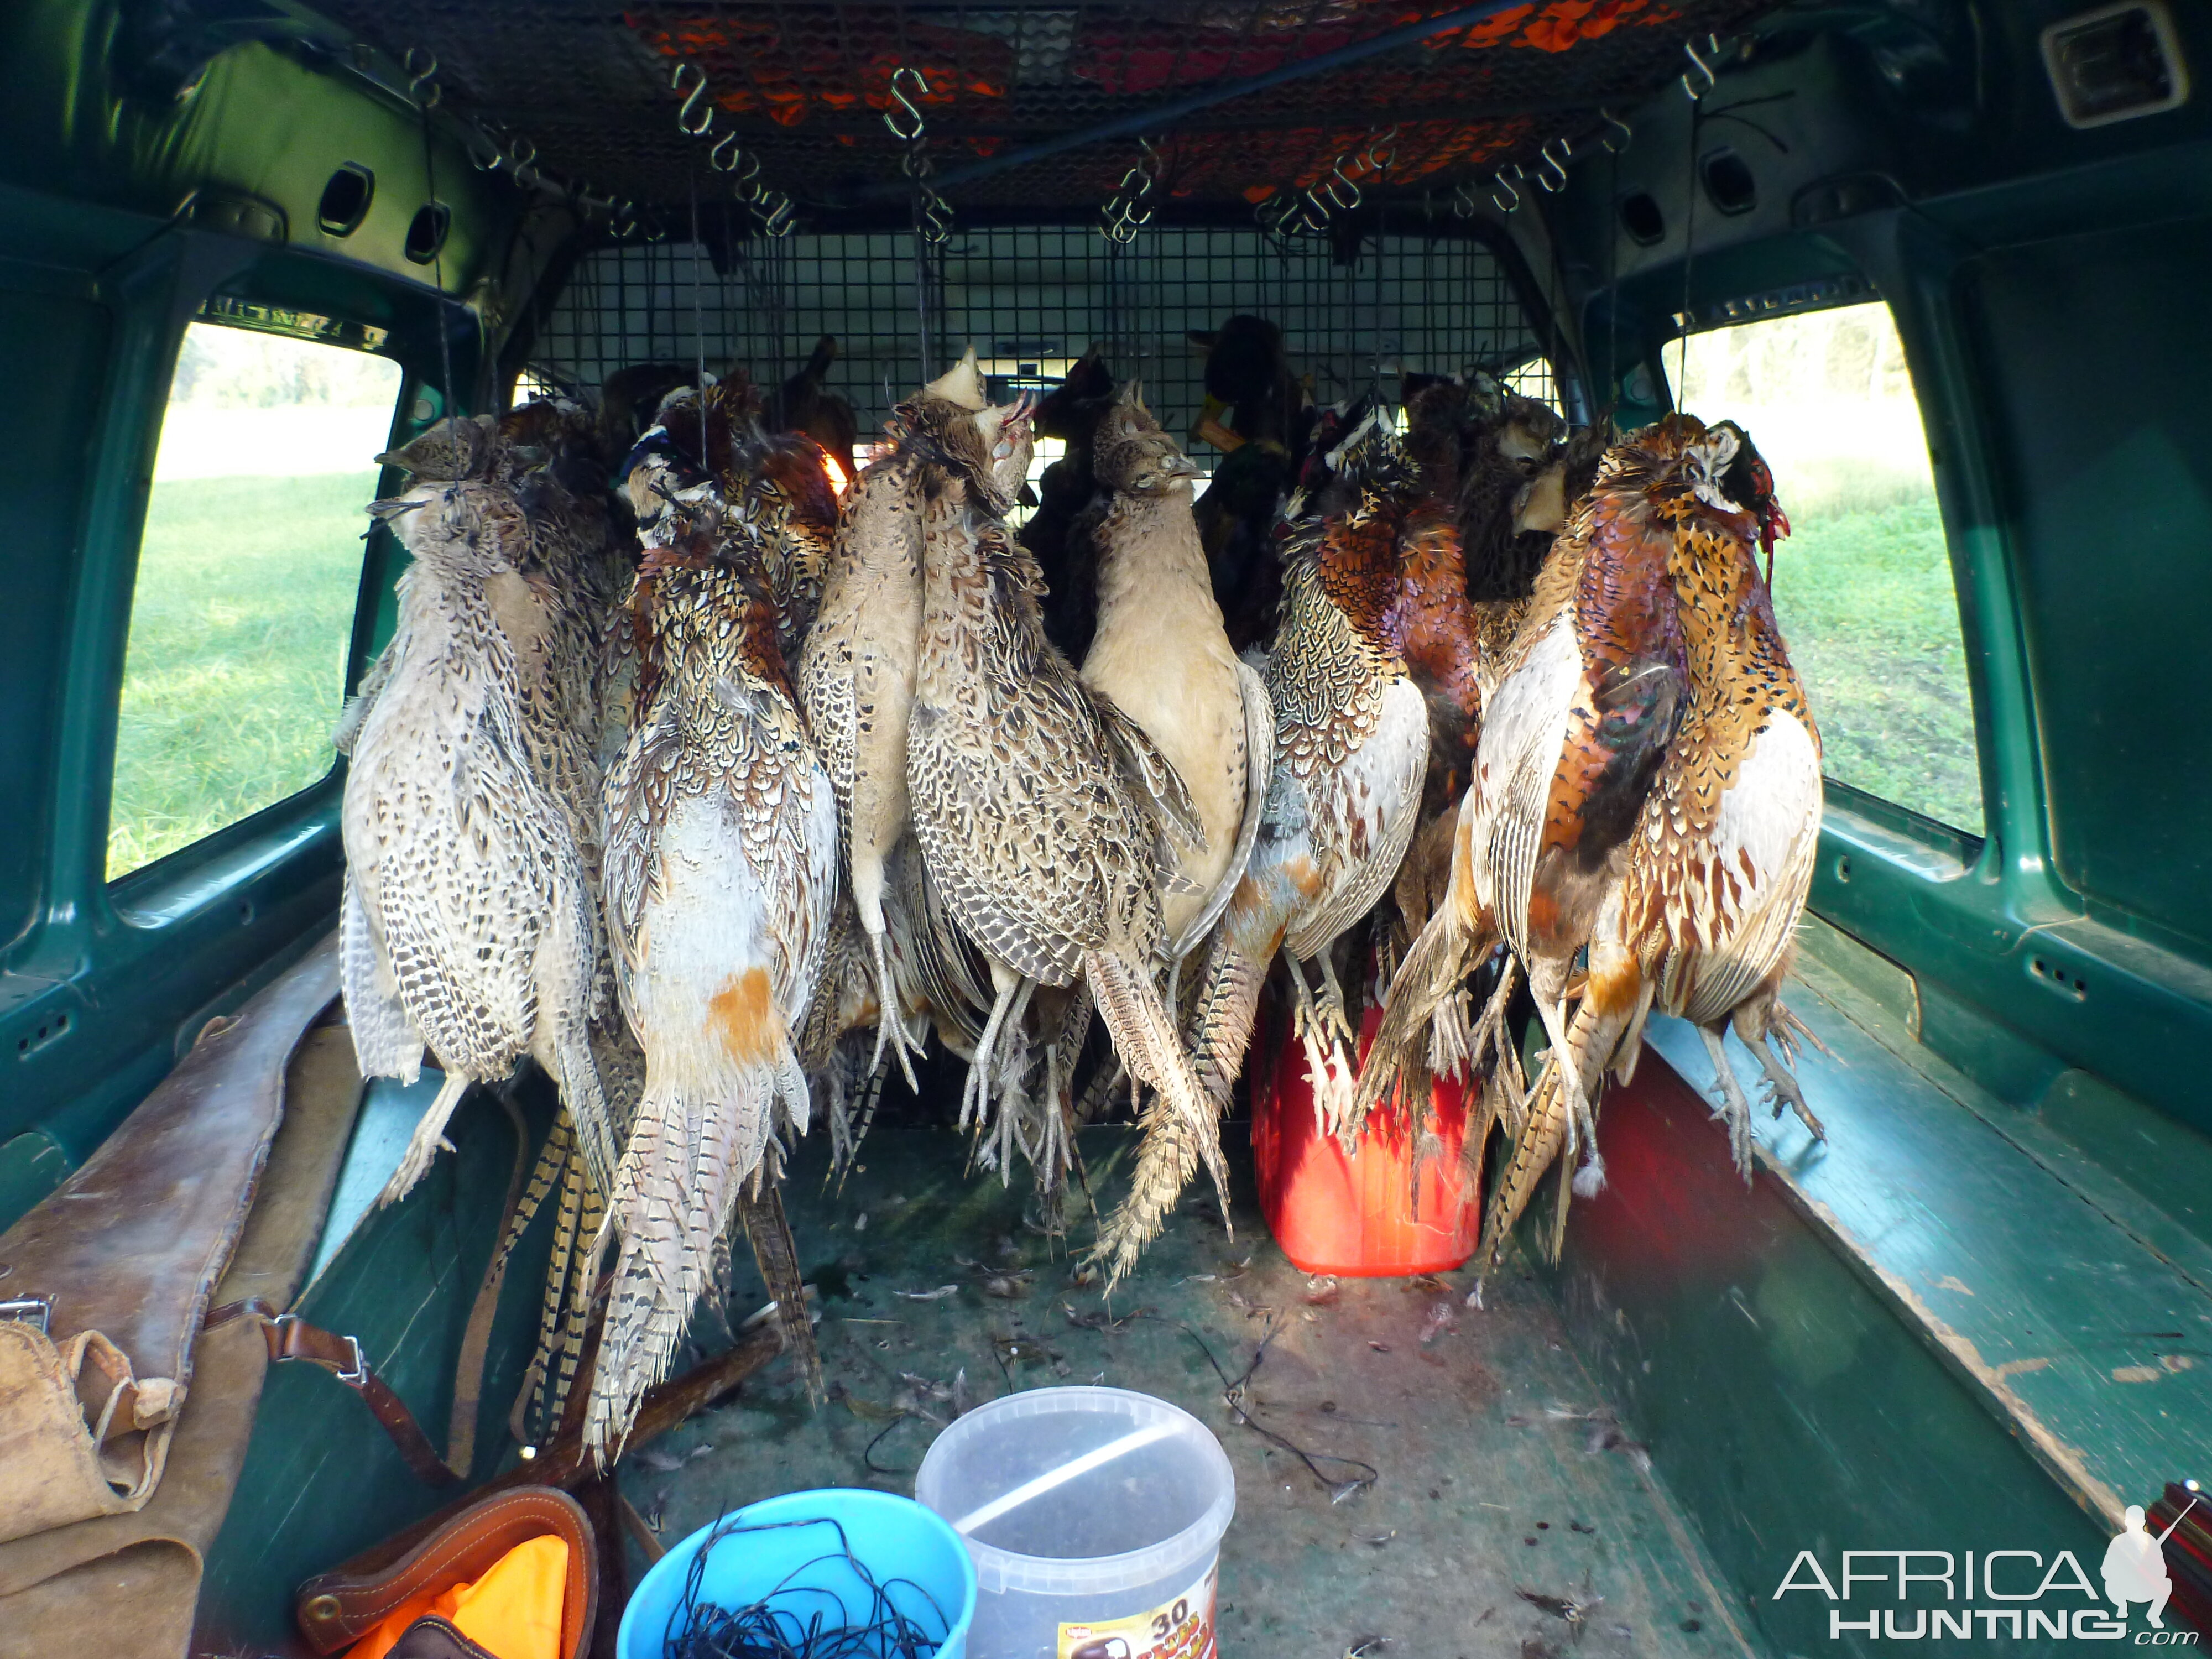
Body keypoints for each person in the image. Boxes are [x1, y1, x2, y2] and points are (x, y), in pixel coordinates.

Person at [2104, 1505, 2173, 1627]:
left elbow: (2162, 1571)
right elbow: (2106, 1569)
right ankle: (2122, 1608)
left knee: (2167, 1584)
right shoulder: (2120, 1538)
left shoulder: (2151, 1543)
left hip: (2141, 1586)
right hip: (2120, 1586)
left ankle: (2153, 1615)